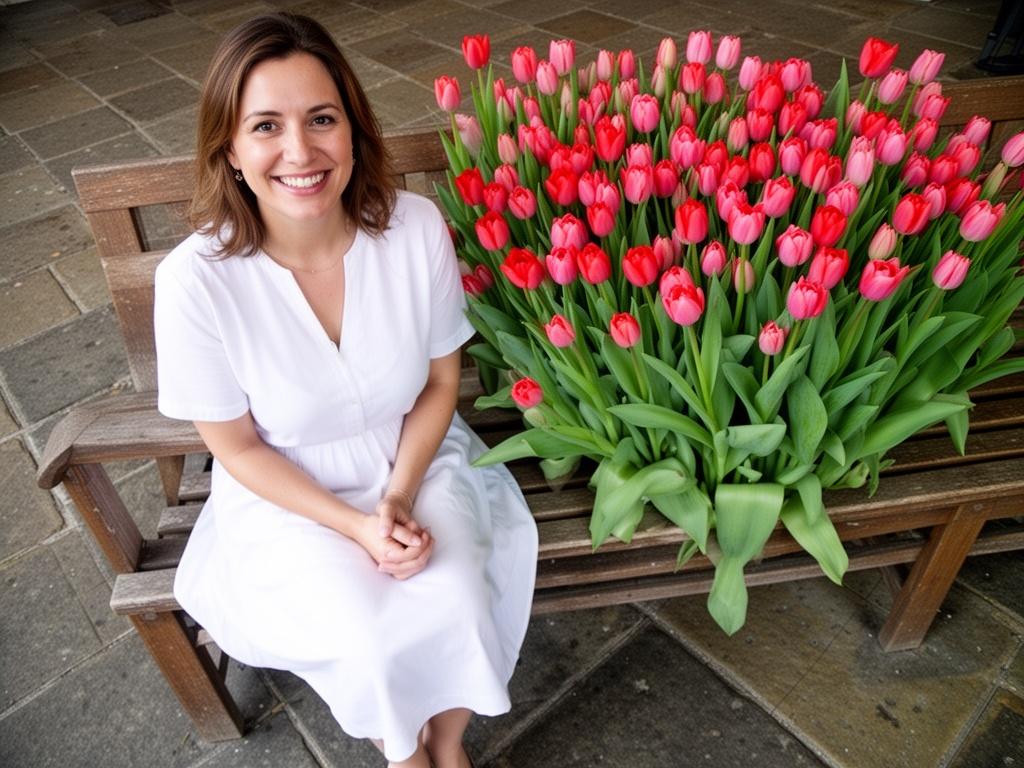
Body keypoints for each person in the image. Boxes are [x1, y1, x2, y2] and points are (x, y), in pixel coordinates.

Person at [152, 13, 538, 768]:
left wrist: (396, 496)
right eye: (266, 125)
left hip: (412, 454)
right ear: (229, 150)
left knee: (457, 588)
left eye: (321, 119)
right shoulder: (194, 282)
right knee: (363, 630)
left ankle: (450, 743)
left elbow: (438, 383)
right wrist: (356, 527)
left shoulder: (414, 228)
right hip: (286, 490)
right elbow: (232, 445)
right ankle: (405, 753)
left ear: (352, 129)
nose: (301, 151)